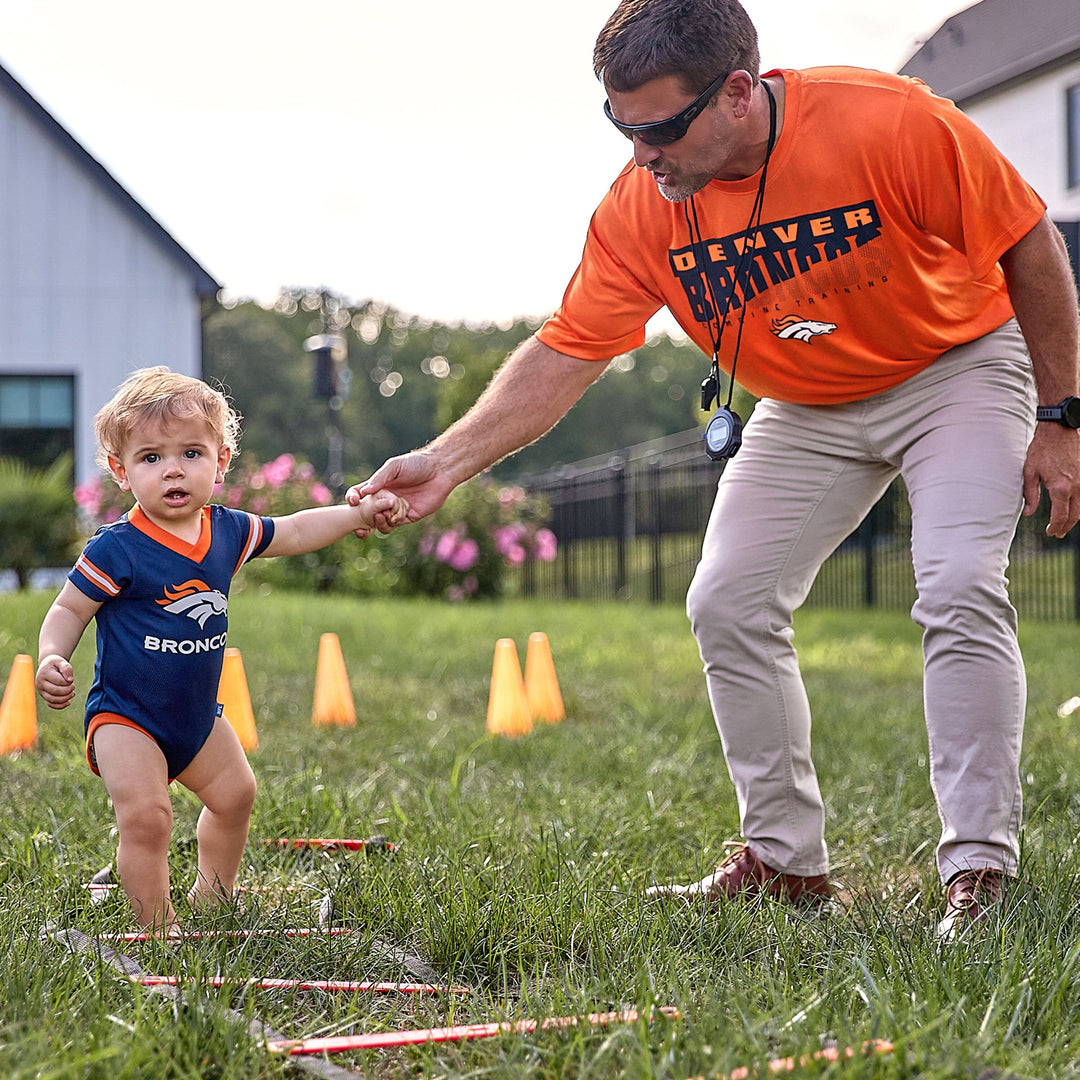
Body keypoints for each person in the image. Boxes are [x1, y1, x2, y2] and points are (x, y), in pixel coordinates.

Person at [351, 0, 1080, 938]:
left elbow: (1029, 241)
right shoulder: (640, 207)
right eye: (623, 129)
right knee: (727, 598)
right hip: (808, 400)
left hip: (958, 366)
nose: (643, 156)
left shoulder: (890, 122)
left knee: (955, 582)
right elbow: (572, 349)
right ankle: (785, 863)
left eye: (660, 129)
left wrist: (1061, 417)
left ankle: (980, 868)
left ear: (738, 93)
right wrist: (446, 461)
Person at [36, 367, 409, 934]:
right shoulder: (118, 549)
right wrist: (51, 657)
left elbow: (297, 530)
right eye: (151, 458)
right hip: (126, 718)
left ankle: (213, 899)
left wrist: (357, 514)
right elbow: (68, 610)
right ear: (121, 471)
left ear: (221, 460)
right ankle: (155, 927)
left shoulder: (227, 531)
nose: (174, 470)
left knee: (236, 796)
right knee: (148, 817)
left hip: (195, 718)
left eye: (191, 452)